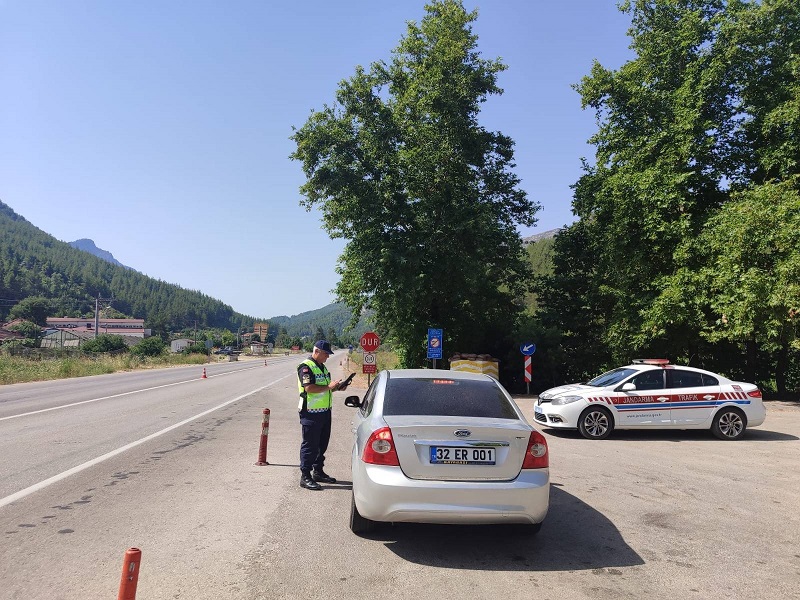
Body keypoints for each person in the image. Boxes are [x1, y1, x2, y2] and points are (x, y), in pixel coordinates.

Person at [296, 340, 349, 490]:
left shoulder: (322, 367)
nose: (327, 357)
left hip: (324, 412)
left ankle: (318, 472)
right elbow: (309, 388)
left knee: (322, 444)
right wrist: (328, 386)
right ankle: (305, 476)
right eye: (326, 354)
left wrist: (337, 388)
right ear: (317, 351)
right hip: (310, 413)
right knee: (310, 445)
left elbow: (325, 390)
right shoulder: (306, 367)